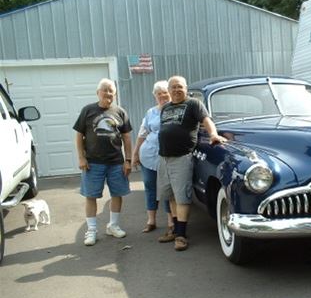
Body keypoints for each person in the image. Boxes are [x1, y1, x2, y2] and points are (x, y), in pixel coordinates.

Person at [157, 75, 226, 251]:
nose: (176, 90)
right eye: (173, 87)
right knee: (170, 195)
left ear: (186, 89)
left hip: (182, 157)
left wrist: (213, 134)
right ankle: (173, 229)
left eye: (180, 87)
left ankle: (181, 235)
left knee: (181, 197)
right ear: (169, 91)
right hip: (164, 158)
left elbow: (206, 120)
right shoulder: (165, 108)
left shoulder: (193, 104)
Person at [73, 78, 132, 246]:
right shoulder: (88, 110)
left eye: (110, 90)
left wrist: (128, 160)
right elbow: (79, 135)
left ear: (115, 93)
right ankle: (91, 230)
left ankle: (113, 226)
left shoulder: (120, 112)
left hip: (116, 162)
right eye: (104, 90)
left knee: (117, 194)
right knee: (91, 196)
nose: (108, 93)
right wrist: (81, 157)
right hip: (93, 163)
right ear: (97, 92)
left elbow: (127, 138)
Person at [132, 81, 175, 235]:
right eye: (159, 94)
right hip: (148, 154)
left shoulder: (176, 110)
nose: (163, 96)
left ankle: (171, 220)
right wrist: (135, 153)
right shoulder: (150, 112)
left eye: (165, 93)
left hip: (167, 156)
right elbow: (142, 133)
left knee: (166, 189)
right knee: (150, 186)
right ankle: (151, 220)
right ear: (155, 96)